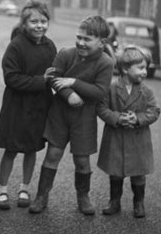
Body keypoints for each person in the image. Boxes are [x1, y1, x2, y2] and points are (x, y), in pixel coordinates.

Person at [29, 15, 114, 215]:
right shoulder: (66, 53)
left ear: (102, 42)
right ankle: (42, 196)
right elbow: (52, 77)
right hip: (60, 113)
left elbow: (100, 92)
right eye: (79, 37)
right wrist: (69, 95)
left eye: (87, 39)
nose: (81, 43)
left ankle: (83, 196)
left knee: (82, 160)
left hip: (84, 118)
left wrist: (73, 82)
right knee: (53, 154)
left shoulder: (106, 62)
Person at [0, 0, 57, 210]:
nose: (39, 25)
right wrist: (42, 80)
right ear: (24, 24)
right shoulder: (16, 46)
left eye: (43, 21)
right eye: (34, 21)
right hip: (17, 107)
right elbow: (11, 78)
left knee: (32, 149)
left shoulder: (50, 46)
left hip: (40, 107)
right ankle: (2, 190)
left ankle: (24, 189)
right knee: (11, 149)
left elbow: (55, 74)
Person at [97, 45, 160, 218]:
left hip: (138, 139)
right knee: (115, 173)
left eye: (145, 67)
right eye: (140, 68)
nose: (144, 72)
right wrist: (117, 118)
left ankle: (138, 203)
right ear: (125, 69)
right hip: (116, 137)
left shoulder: (147, 91)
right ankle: (114, 202)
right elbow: (101, 108)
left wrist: (138, 119)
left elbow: (154, 111)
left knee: (138, 174)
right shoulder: (111, 88)